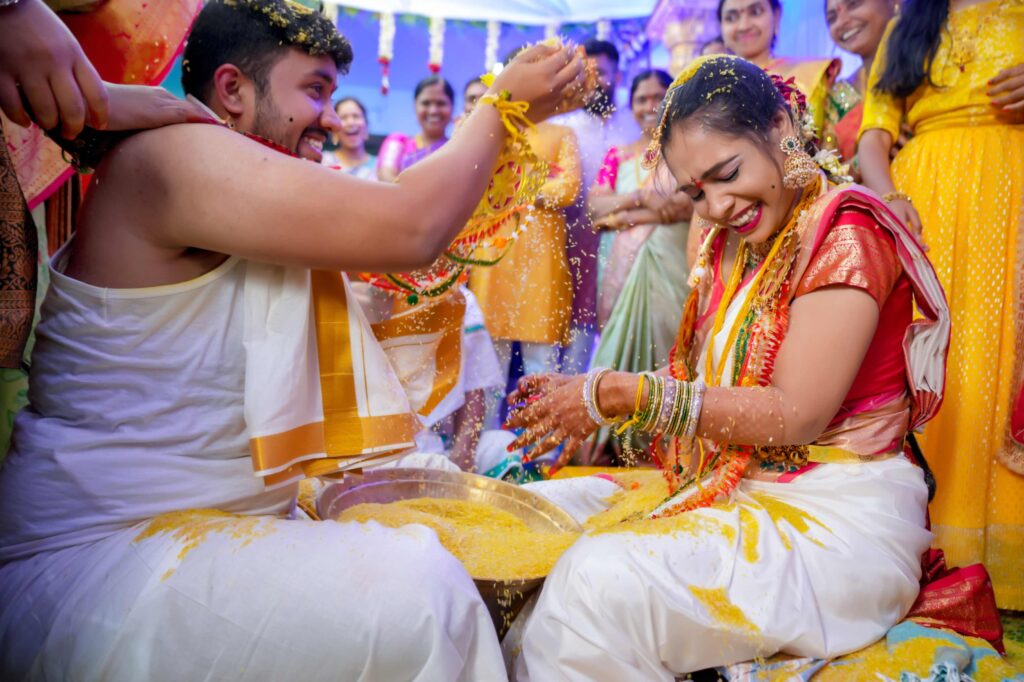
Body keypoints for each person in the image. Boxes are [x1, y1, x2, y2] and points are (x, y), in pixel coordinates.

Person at [0, 0, 587, 677]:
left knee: (426, 500)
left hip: (189, 532)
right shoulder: (174, 157)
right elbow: (409, 227)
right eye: (314, 90)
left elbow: (408, 223)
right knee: (425, 597)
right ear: (231, 89)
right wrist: (501, 106)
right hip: (100, 558)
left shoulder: (238, 177)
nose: (333, 119)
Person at [505, 55, 950, 678]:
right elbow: (711, 385)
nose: (714, 205)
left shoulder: (846, 231)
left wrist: (619, 393)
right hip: (744, 487)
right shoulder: (738, 239)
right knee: (533, 518)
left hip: (839, 521)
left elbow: (794, 415)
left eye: (726, 173)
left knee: (592, 588)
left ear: (780, 127)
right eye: (695, 192)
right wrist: (591, 393)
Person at [858, 0, 1024, 610]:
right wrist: (891, 198)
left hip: (1015, 199)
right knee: (935, 365)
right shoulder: (908, 25)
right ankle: (923, 552)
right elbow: (873, 137)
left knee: (1002, 365)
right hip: (924, 205)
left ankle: (1004, 560)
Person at [588, 69, 692, 373]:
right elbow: (595, 207)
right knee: (616, 347)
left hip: (672, 261)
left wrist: (621, 217)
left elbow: (685, 207)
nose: (649, 106)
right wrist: (642, 198)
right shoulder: (616, 156)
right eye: (641, 99)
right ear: (630, 106)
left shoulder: (685, 152)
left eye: (658, 97)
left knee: (670, 338)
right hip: (620, 262)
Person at [553, 39, 640, 374]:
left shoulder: (634, 124)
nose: (591, 80)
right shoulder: (565, 126)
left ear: (618, 76)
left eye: (600, 72)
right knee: (569, 324)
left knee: (614, 320)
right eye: (585, 72)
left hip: (623, 236)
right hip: (568, 238)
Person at [719, 0, 840, 135]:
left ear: (776, 16)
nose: (743, 26)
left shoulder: (811, 73)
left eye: (755, 12)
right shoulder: (712, 87)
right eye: (731, 18)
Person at [823, 0, 898, 167]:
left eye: (853, 4)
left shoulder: (928, 67)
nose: (842, 22)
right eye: (832, 18)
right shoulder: (839, 95)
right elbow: (827, 176)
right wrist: (870, 156)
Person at [377, 74, 453, 182]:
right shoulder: (398, 142)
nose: (433, 110)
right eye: (426, 103)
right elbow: (385, 176)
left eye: (441, 103)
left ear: (452, 106)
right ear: (415, 105)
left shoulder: (456, 148)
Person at [320, 96, 376, 180]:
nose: (350, 122)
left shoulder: (381, 167)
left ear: (366, 125)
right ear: (335, 129)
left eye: (356, 116)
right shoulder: (323, 161)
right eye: (343, 118)